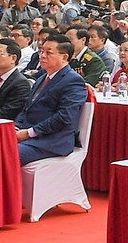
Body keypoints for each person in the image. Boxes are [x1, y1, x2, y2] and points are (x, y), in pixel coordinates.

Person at [15, 36, 89, 164]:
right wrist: (16, 127)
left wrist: (29, 133)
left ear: (64, 57)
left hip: (51, 141)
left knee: (6, 153)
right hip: (30, 136)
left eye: (48, 53)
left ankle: (10, 185)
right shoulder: (41, 78)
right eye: (41, 51)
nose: (42, 56)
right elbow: (27, 108)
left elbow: (64, 117)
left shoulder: (73, 80)